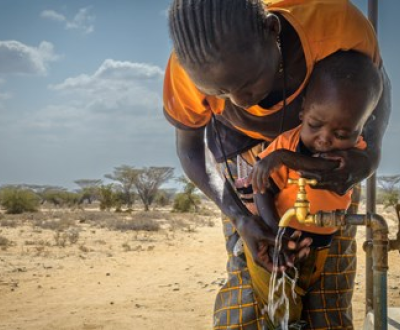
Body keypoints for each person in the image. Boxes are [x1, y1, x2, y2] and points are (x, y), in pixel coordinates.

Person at [163, 0, 391, 328]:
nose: (241, 101)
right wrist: (240, 217)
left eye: (248, 82)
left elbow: (376, 85)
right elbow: (189, 150)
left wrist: (369, 155)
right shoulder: (186, 70)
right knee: (255, 276)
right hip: (240, 149)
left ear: (272, 30)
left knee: (327, 273)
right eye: (220, 92)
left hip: (318, 141)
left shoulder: (334, 22)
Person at [239, 51, 382, 329]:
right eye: (315, 125)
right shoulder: (286, 142)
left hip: (322, 249)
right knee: (277, 307)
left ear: (361, 128)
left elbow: (324, 168)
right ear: (303, 111)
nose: (325, 138)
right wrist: (275, 233)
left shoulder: (353, 153)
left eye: (342, 134)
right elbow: (262, 187)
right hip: (282, 239)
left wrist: (282, 159)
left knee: (317, 308)